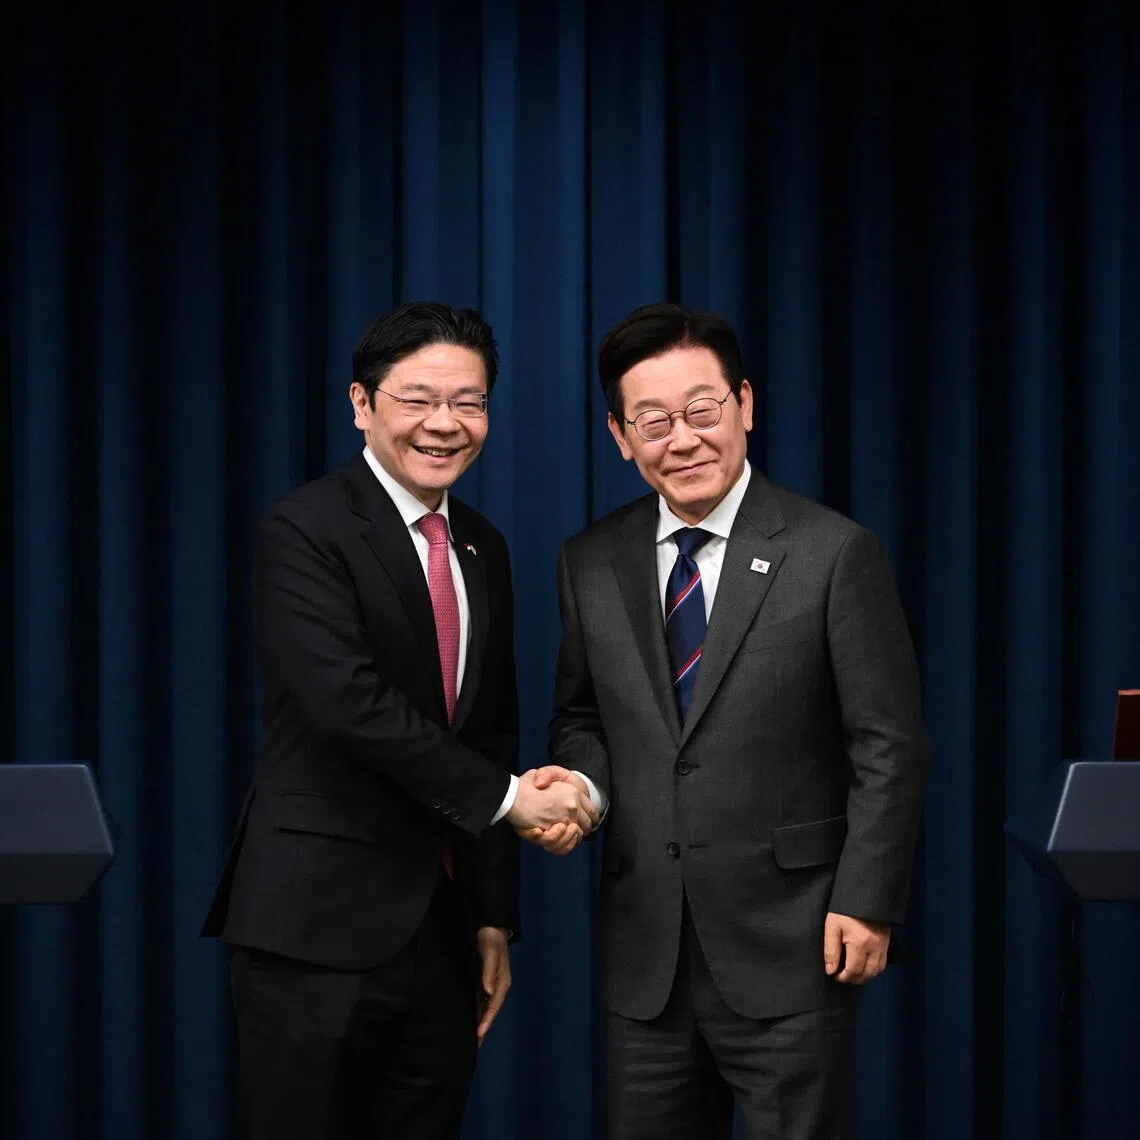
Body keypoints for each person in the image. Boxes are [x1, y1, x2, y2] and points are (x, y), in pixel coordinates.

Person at [530, 303, 928, 1139]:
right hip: (648, 955)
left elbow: (887, 745)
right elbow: (579, 718)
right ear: (619, 435)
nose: (682, 439)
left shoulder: (832, 552)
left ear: (745, 405)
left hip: (796, 942)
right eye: (654, 421)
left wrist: (868, 898)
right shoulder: (589, 561)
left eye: (703, 411)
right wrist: (584, 788)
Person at [202, 301, 597, 1140]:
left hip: (444, 934)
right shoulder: (306, 526)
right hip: (315, 927)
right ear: (362, 403)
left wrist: (494, 915)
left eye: (470, 402)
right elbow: (350, 706)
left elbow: (488, 729)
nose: (445, 424)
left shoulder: (483, 546)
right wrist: (512, 802)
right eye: (418, 399)